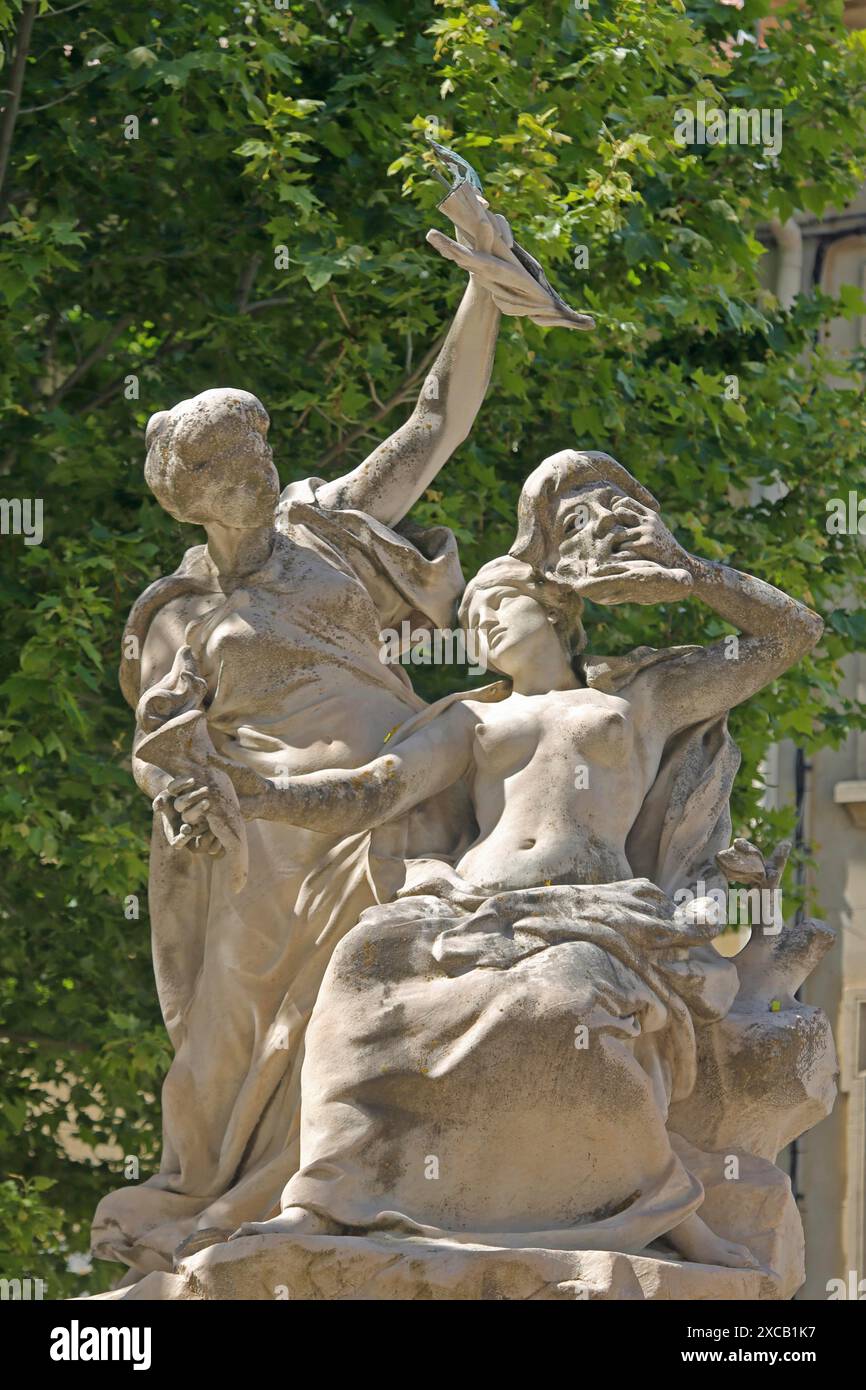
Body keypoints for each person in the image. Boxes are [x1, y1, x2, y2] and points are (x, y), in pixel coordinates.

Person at [91, 192, 591, 1280]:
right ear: (197, 495)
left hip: (396, 800)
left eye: (259, 449)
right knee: (230, 1032)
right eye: (232, 465)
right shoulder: (178, 613)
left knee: (388, 1006)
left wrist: (482, 289)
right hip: (266, 840)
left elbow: (433, 421)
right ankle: (215, 1200)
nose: (259, 472)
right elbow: (167, 749)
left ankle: (370, 1191)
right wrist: (188, 797)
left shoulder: (327, 527)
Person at [212, 450, 821, 1265]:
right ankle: (323, 1199)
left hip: (597, 917)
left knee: (568, 1003)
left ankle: (662, 1208)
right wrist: (244, 793)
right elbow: (368, 793)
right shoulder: (471, 720)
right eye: (469, 619)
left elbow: (790, 634)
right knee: (361, 975)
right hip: (470, 908)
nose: (482, 624)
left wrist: (687, 571)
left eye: (496, 603)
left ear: (554, 607)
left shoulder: (637, 700)